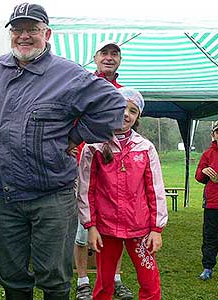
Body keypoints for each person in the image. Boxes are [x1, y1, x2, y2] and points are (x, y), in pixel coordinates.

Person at [0, 3, 126, 299]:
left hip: (52, 197)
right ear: (11, 34)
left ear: (47, 33)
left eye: (33, 29)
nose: (24, 36)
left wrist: (76, 135)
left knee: (54, 277)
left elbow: (114, 105)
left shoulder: (68, 74)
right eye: (18, 29)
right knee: (12, 277)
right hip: (5, 198)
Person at [78, 87, 168, 300]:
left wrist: (156, 229)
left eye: (133, 111)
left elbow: (155, 190)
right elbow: (85, 189)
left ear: (137, 117)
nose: (126, 114)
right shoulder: (94, 146)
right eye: (121, 107)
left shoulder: (145, 148)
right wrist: (90, 226)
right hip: (106, 229)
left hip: (141, 229)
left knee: (149, 281)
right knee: (104, 282)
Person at [74, 40, 133, 300]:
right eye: (104, 53)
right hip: (85, 170)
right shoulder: (83, 85)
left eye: (114, 54)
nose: (109, 58)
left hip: (115, 172)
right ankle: (83, 281)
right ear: (95, 58)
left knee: (115, 228)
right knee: (81, 228)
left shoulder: (127, 92)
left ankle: (114, 279)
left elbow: (131, 130)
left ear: (119, 60)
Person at [195, 119, 218, 281]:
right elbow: (198, 177)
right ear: (213, 135)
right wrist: (204, 171)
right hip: (212, 202)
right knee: (210, 236)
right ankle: (208, 267)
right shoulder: (207, 154)